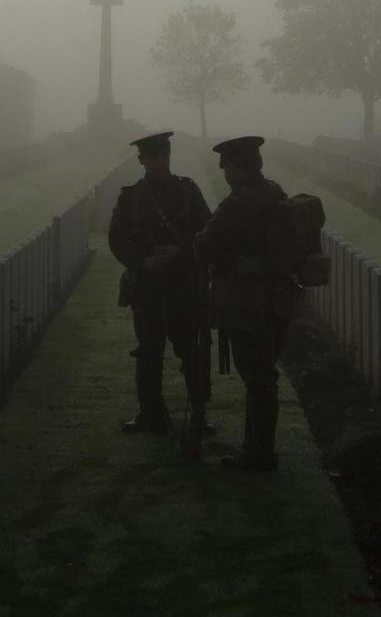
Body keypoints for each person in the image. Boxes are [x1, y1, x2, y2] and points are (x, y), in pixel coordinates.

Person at [194, 136, 290, 472]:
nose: (225, 173)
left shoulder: (239, 203)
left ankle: (258, 455)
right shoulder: (275, 192)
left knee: (257, 378)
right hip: (278, 299)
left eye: (227, 167)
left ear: (236, 167)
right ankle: (258, 449)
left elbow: (204, 244)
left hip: (247, 302)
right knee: (264, 375)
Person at [108, 131, 213, 434]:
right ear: (142, 160)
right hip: (147, 287)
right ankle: (151, 413)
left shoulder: (188, 191)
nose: (160, 162)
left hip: (184, 285)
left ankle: (198, 414)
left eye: (164, 156)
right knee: (149, 352)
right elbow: (117, 239)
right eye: (153, 157)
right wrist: (143, 261)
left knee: (190, 351)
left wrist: (181, 249)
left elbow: (206, 230)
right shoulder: (130, 197)